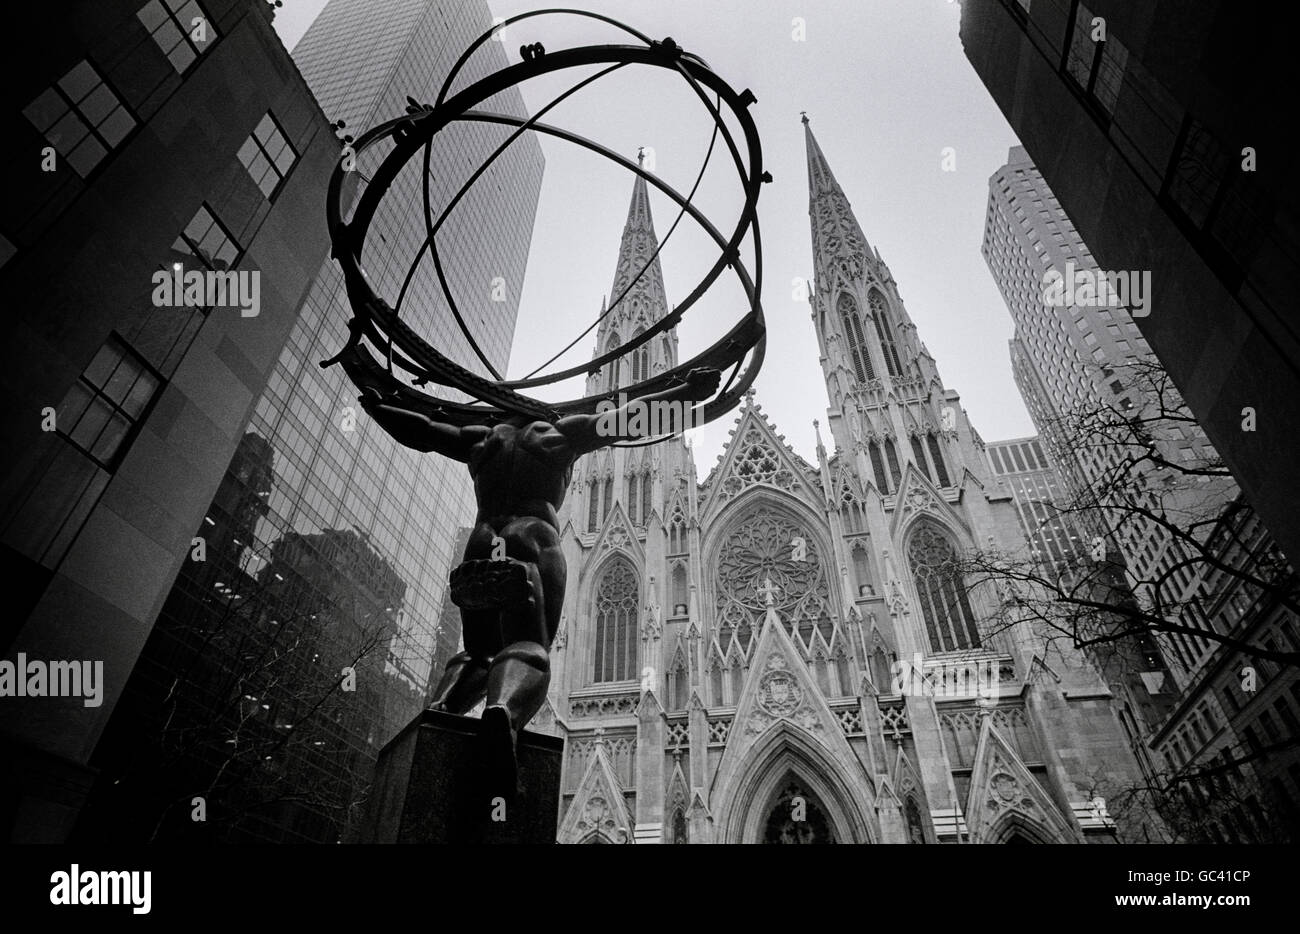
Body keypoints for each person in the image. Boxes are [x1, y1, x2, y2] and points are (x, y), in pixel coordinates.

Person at [359, 367, 720, 795]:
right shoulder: (557, 435)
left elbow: (420, 430)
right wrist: (689, 391)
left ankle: (442, 709)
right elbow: (630, 419)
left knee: (477, 651)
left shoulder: (482, 439)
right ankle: (503, 710)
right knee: (530, 645)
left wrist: (376, 402)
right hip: (529, 539)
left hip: (480, 543)